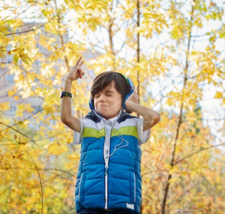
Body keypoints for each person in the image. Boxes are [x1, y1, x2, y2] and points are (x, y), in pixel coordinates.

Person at [60, 57, 160, 214]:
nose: (101, 99)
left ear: (124, 98)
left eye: (108, 94)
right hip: (89, 204)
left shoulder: (134, 125)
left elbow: (154, 117)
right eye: (97, 95)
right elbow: (66, 118)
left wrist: (131, 105)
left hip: (125, 204)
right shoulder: (87, 124)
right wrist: (68, 82)